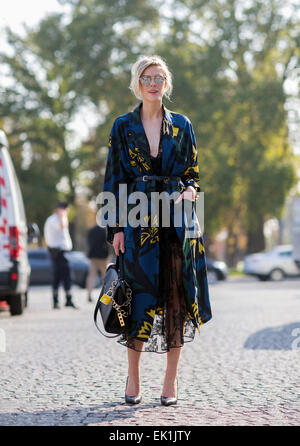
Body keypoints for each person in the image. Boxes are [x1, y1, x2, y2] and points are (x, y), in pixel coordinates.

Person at [101, 55, 212, 406]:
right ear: (137, 83)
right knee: (136, 298)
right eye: (147, 77)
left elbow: (193, 172)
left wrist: (192, 190)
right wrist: (115, 228)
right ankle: (133, 377)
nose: (153, 83)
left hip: (179, 222)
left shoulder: (182, 125)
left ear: (167, 83)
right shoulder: (122, 126)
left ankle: (171, 380)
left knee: (176, 298)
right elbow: (113, 178)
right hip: (138, 221)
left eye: (159, 77)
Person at [44, 202, 77, 309]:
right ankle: (66, 300)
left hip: (60, 252)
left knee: (58, 276)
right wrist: (62, 215)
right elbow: (62, 226)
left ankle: (59, 300)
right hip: (58, 252)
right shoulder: (54, 220)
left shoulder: (55, 219)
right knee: (66, 276)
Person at [86, 224, 111, 302]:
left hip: (93, 256)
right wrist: (108, 255)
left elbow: (89, 242)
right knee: (105, 277)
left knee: (91, 276)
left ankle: (89, 294)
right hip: (103, 257)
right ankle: (106, 296)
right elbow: (107, 243)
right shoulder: (104, 231)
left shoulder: (91, 230)